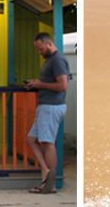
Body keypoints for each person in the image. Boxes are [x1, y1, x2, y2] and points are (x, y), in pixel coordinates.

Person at [24, 32, 69, 194]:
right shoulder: (52, 60)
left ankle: (51, 183)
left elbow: (63, 85)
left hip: (51, 106)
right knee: (31, 140)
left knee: (48, 142)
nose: (40, 53)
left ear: (49, 44)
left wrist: (40, 84)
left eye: (41, 49)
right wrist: (37, 84)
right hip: (47, 105)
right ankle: (46, 172)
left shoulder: (57, 60)